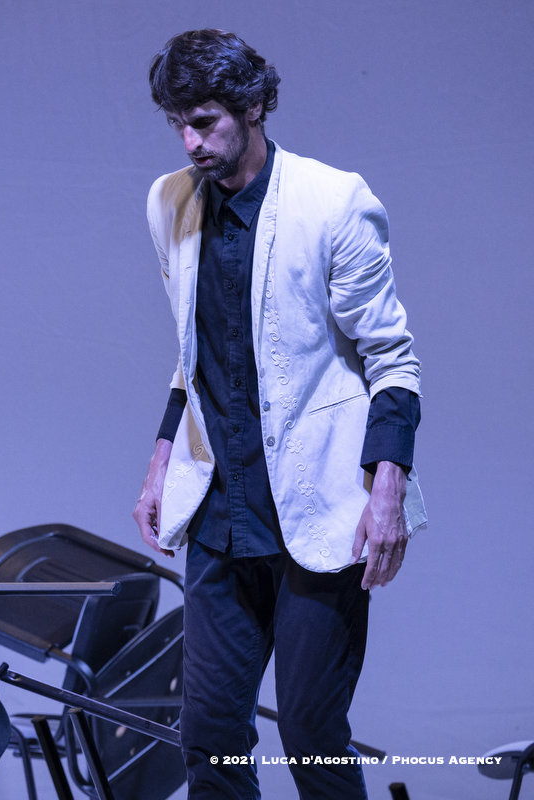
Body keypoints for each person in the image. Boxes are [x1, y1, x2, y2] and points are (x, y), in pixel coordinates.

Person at [132, 29, 427, 800]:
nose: (191, 142)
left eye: (204, 122)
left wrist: (388, 491)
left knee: (310, 731)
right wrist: (161, 459)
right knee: (210, 734)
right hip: (220, 513)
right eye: (179, 125)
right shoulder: (169, 203)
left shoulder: (334, 202)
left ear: (253, 107)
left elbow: (392, 360)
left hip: (318, 507)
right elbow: (195, 350)